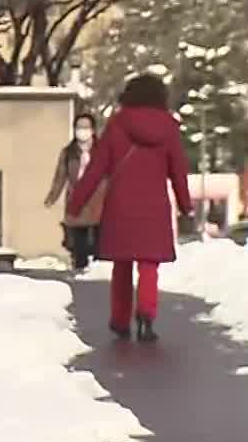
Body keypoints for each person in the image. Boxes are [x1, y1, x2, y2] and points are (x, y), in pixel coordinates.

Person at [67, 74, 193, 341]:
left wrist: (76, 203)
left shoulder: (117, 125)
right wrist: (185, 205)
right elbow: (178, 171)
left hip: (121, 205)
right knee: (149, 265)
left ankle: (120, 320)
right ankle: (146, 315)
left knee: (122, 266)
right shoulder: (168, 128)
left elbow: (96, 169)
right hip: (154, 208)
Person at [44, 112, 101, 272]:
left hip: (98, 201)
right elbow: (60, 177)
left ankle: (99, 273)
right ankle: (80, 269)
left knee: (99, 241)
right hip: (77, 201)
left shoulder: (103, 150)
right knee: (78, 241)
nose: (82, 131)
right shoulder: (68, 153)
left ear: (93, 130)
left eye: (86, 127)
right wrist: (52, 197)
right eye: (79, 127)